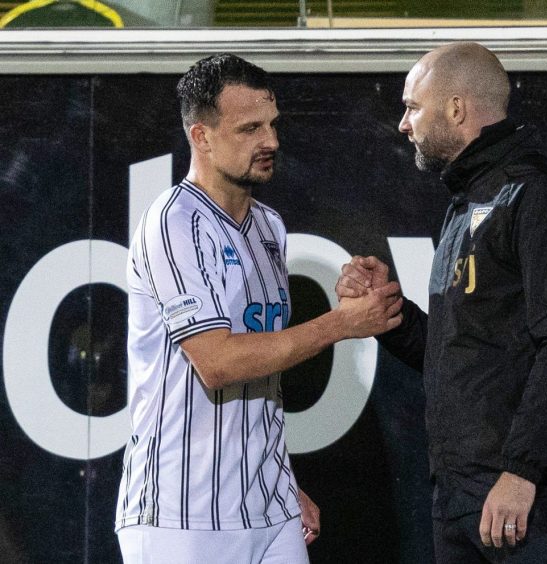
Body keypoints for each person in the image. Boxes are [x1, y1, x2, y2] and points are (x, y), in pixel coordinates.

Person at [115, 53, 402, 564]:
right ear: (201, 136)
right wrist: (341, 323)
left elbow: (262, 379)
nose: (270, 141)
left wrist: (281, 478)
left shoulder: (270, 227)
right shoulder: (172, 223)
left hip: (268, 509)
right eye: (249, 128)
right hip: (182, 515)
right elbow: (218, 363)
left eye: (272, 125)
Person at [336, 42, 547, 563]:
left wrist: (521, 473)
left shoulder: (539, 195)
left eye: (413, 106)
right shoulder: (467, 203)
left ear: (456, 109)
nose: (402, 124)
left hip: (533, 503)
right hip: (461, 499)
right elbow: (460, 354)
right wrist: (390, 312)